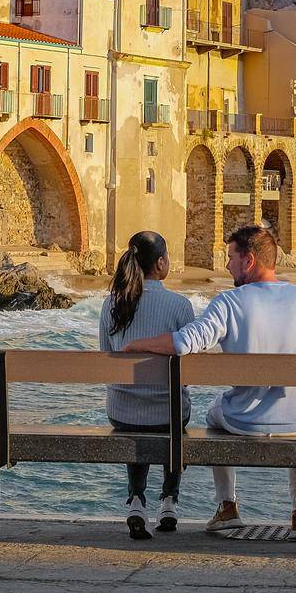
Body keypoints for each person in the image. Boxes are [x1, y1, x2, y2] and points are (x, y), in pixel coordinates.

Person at [127, 222, 296, 542]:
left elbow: (184, 343)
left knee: (213, 412)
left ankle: (227, 507)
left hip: (244, 421)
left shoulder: (229, 303)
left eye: (231, 257)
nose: (226, 264)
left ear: (249, 261)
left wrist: (138, 345)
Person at [99, 230, 195, 540]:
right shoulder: (180, 306)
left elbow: (105, 357)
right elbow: (188, 369)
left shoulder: (111, 304)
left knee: (135, 418)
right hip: (169, 413)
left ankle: (136, 499)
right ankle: (168, 500)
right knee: (173, 415)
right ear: (161, 263)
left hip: (122, 411)